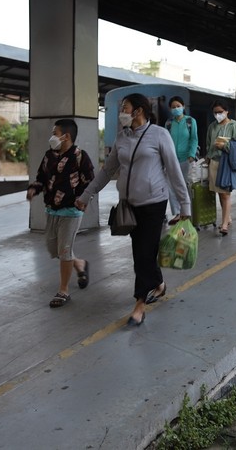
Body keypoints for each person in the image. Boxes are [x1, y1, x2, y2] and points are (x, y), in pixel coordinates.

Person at [75, 93, 190, 326]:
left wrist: (185, 205)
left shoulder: (159, 135)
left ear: (138, 111)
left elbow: (174, 171)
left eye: (125, 108)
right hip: (129, 205)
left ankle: (139, 304)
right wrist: (86, 195)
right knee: (141, 250)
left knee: (143, 254)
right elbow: (107, 171)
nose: (122, 113)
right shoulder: (122, 138)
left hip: (154, 203)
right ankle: (159, 283)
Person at [27, 119, 94, 308]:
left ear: (66, 136)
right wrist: (34, 189)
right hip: (51, 209)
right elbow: (42, 177)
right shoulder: (50, 156)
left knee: (64, 249)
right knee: (54, 249)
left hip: (71, 212)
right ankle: (79, 264)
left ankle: (63, 290)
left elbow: (89, 181)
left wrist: (83, 200)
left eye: (55, 133)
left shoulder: (80, 156)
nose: (52, 136)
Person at [205, 100, 236, 235]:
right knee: (220, 193)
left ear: (227, 111)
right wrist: (207, 159)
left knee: (225, 194)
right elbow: (208, 144)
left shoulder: (235, 126)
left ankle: (224, 225)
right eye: (215, 112)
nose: (217, 115)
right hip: (214, 163)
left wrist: (225, 146)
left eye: (220, 112)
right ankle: (227, 217)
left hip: (227, 163)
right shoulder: (212, 127)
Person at [165, 96, 199, 225]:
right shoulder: (168, 123)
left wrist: (191, 154)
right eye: (173, 107)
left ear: (183, 107)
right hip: (172, 159)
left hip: (187, 158)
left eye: (178, 106)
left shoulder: (190, 121)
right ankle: (178, 213)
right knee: (172, 186)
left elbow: (194, 138)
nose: (176, 109)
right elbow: (165, 141)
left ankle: (187, 212)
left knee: (185, 186)